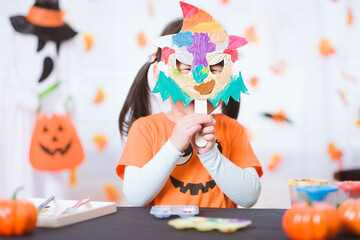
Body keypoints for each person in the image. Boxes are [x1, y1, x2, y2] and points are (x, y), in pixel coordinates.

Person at [116, 11, 262, 208]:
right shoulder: (145, 129)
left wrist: (211, 154)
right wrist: (174, 146)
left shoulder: (233, 130)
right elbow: (135, 196)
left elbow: (249, 197)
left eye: (214, 69)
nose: (200, 82)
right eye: (186, 69)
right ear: (161, 74)